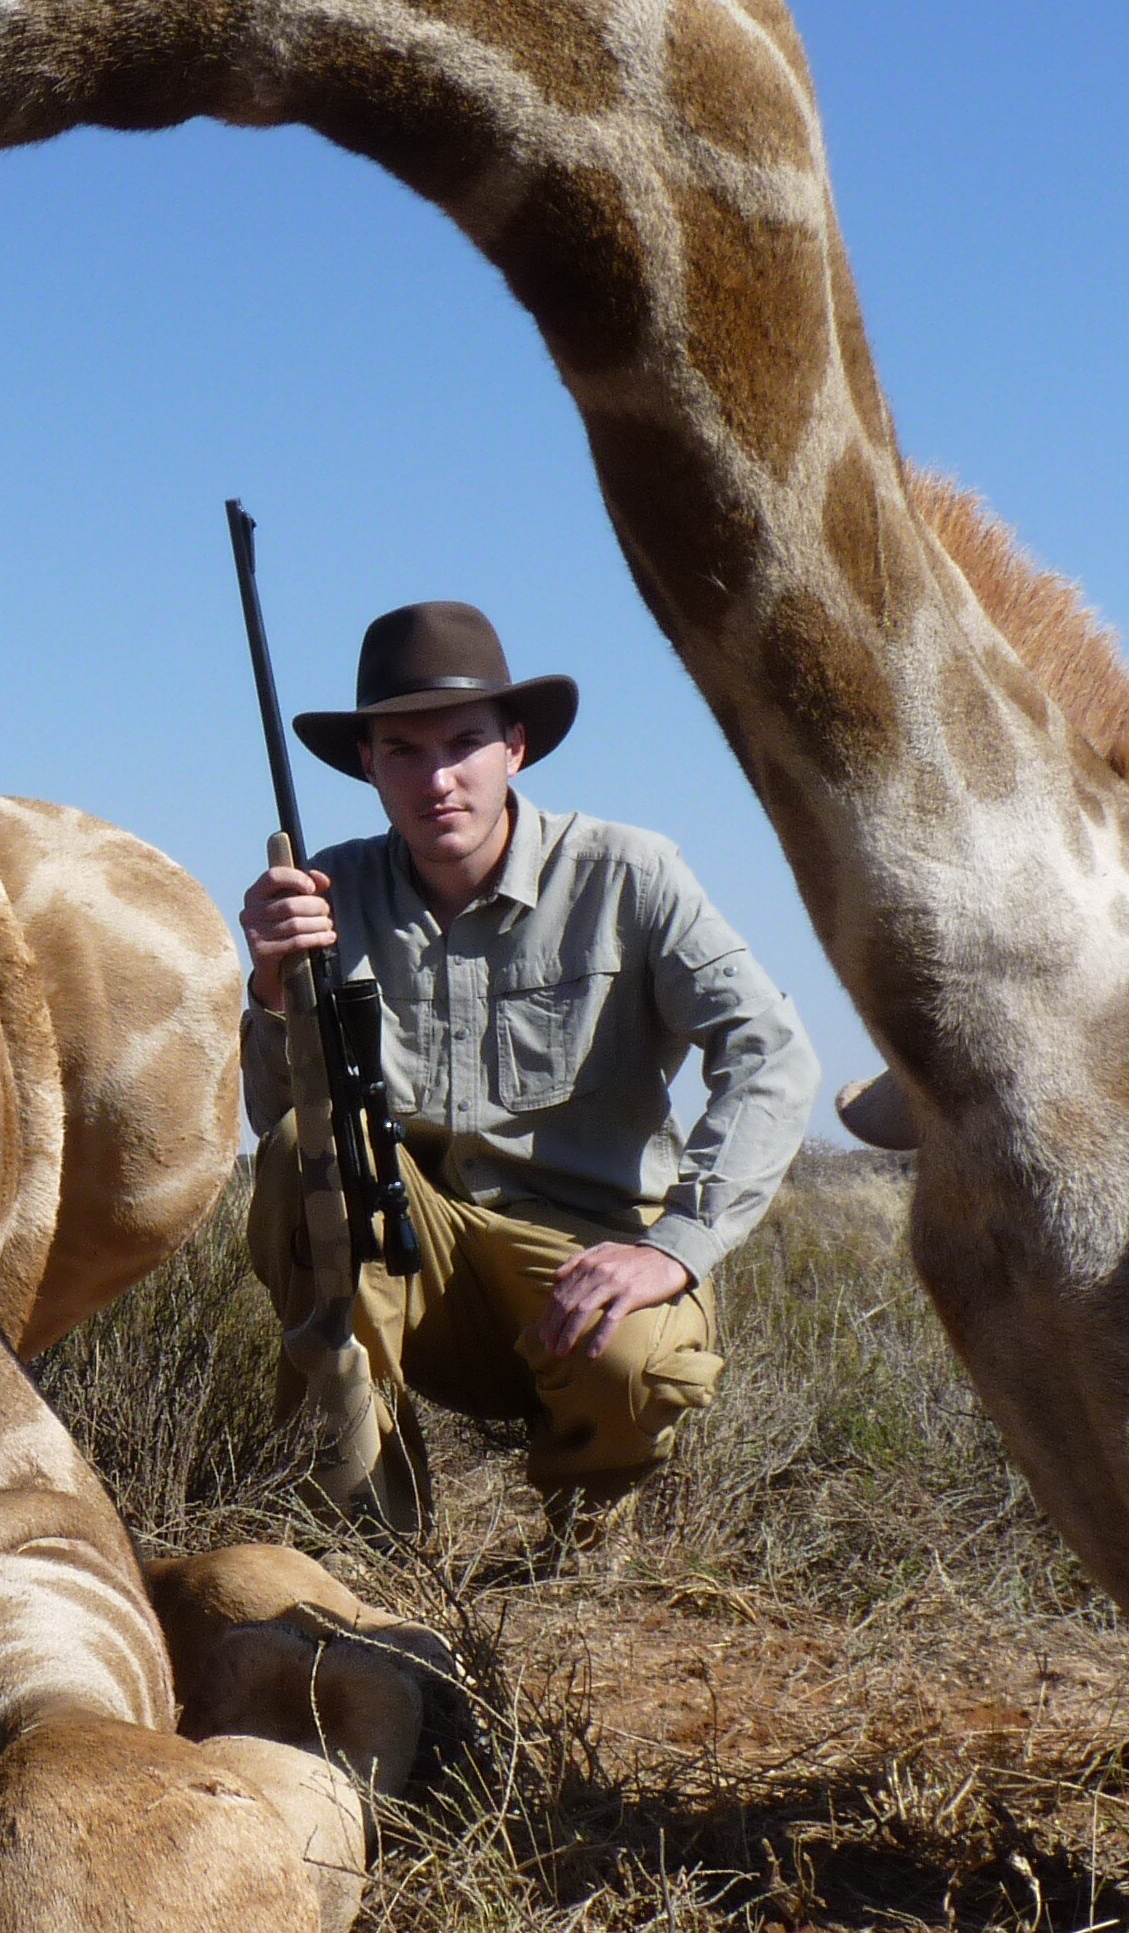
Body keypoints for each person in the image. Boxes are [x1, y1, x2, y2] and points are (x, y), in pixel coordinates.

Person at [241, 599, 819, 1537]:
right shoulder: (328, 894)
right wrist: (272, 992)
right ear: (366, 767)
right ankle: (362, 1532)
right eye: (403, 752)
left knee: (642, 1365)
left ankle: (585, 1528)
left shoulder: (632, 874)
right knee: (311, 1145)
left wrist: (673, 1246)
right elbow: (282, 1137)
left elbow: (772, 1054)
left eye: (463, 742)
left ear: (515, 747)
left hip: (582, 1259)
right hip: (415, 1263)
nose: (437, 780)